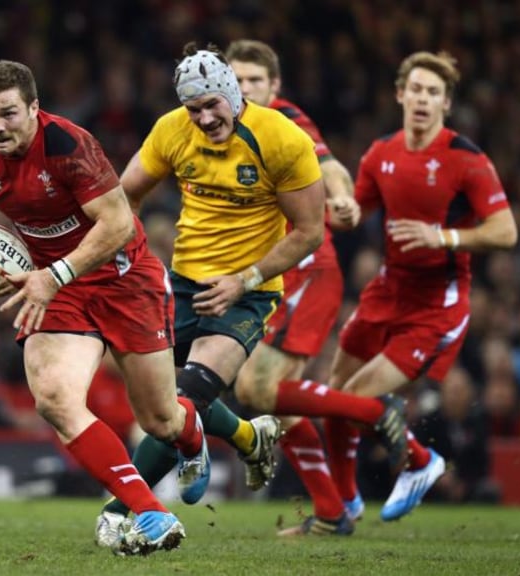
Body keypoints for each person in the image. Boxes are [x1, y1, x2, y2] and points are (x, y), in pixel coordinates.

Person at [0, 59, 210, 556]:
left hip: (122, 278)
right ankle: (152, 512)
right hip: (56, 289)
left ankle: (191, 432)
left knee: (159, 421)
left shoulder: (70, 146)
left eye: (8, 113)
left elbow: (118, 225)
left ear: (34, 108)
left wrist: (56, 274)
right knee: (54, 398)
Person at [252, 51, 517, 522]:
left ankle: (420, 460)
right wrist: (344, 211)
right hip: (386, 291)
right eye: (415, 89)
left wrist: (443, 236)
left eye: (433, 93)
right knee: (338, 395)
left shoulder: (466, 160)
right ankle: (348, 500)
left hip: (437, 304)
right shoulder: (381, 154)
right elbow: (352, 213)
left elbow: (505, 231)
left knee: (359, 400)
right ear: (400, 94)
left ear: (446, 104)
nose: (422, 99)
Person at [94, 41, 330, 543]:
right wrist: (131, 262)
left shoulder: (283, 140)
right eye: (192, 109)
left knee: (188, 395)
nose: (203, 118)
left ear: (232, 93)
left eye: (210, 105)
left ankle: (119, 510)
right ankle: (249, 436)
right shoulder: (171, 130)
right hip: (181, 284)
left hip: (248, 290)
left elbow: (309, 231)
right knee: (149, 392)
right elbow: (124, 197)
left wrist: (244, 279)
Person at [225, 39, 364, 536]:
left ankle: (376, 414)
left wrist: (343, 198)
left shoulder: (287, 120)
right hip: (267, 274)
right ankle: (330, 513)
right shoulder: (217, 123)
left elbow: (328, 167)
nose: (244, 89)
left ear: (274, 86)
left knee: (257, 389)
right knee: (269, 399)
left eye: (254, 80)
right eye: (236, 80)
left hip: (308, 268)